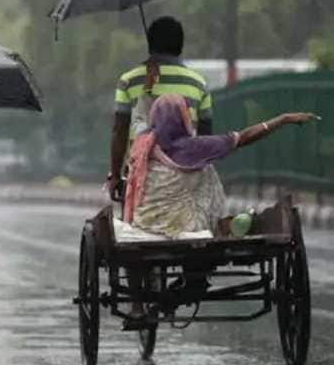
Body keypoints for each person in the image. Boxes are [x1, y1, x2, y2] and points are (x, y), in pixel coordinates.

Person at [121, 93, 318, 317]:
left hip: (148, 225)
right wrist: (283, 119)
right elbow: (244, 137)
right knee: (205, 173)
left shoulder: (142, 146)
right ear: (185, 118)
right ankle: (186, 289)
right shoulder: (198, 146)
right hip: (192, 229)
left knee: (131, 248)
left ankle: (138, 306)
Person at [108, 16, 213, 200]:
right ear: (180, 46)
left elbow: (120, 130)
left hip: (141, 178)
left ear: (150, 45)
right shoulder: (199, 83)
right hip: (185, 179)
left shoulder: (129, 81)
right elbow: (205, 137)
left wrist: (115, 175)